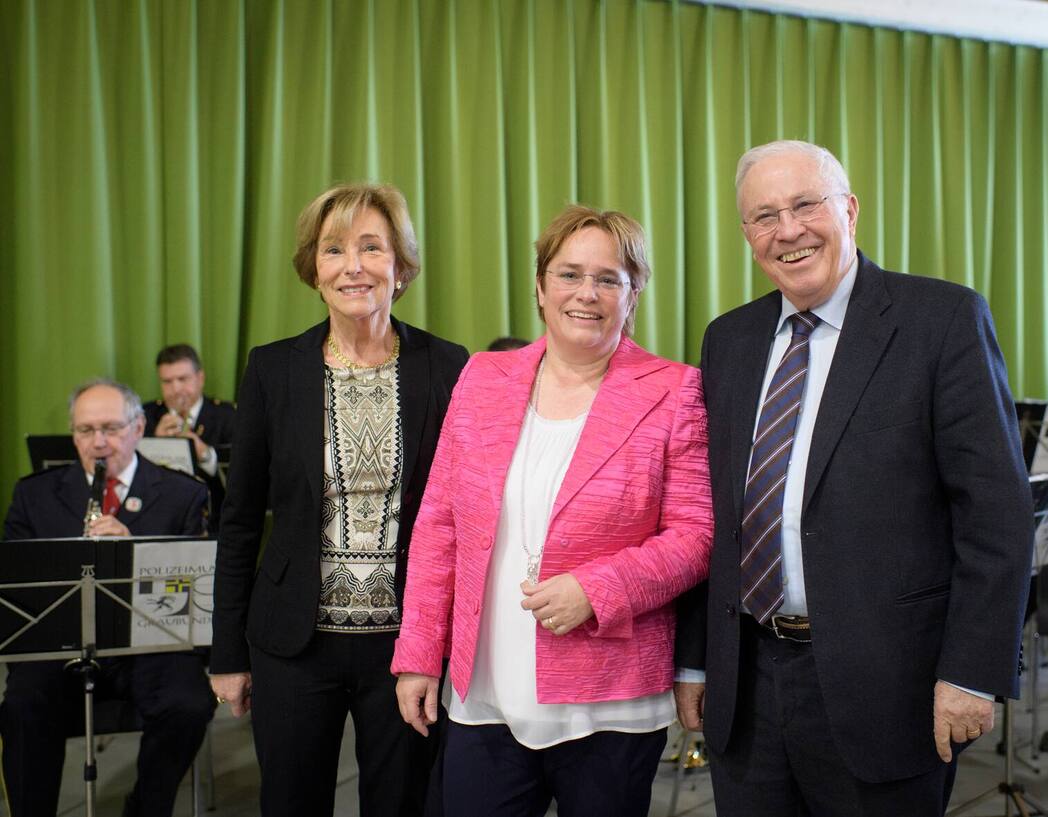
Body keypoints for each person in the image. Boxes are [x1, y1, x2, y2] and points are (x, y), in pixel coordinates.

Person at [673, 140, 1033, 816]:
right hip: (745, 684)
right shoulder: (728, 339)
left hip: (888, 687)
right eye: (763, 215)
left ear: (849, 209)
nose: (787, 230)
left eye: (805, 204)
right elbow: (714, 515)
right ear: (745, 233)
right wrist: (695, 660)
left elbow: (995, 516)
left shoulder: (941, 320)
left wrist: (970, 672)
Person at [392, 205, 713, 817]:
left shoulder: (675, 390)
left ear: (634, 292)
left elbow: (696, 534)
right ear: (540, 288)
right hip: (484, 688)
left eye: (608, 278)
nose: (586, 294)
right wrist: (417, 656)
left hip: (608, 698)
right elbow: (439, 524)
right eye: (569, 275)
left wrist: (598, 588)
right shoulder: (482, 377)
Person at [208, 183, 468, 817]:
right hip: (292, 645)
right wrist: (226, 653)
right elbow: (240, 522)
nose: (353, 265)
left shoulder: (449, 365)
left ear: (400, 268)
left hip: (407, 647)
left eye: (371, 247)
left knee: (402, 805)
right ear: (314, 269)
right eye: (334, 250)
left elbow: (461, 513)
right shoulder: (273, 369)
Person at [1, 379, 213, 817]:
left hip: (150, 641)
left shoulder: (183, 493)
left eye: (112, 428)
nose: (98, 442)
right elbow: (17, 583)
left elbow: (199, 587)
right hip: (59, 644)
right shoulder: (35, 494)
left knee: (189, 701)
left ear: (138, 428)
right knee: (21, 703)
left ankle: (147, 806)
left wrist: (133, 546)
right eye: (85, 430)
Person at [143, 343, 237, 533]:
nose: (176, 389)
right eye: (167, 382)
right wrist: (156, 444)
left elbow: (243, 478)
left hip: (216, 519)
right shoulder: (145, 417)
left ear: (200, 378)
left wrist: (205, 455)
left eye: (183, 379)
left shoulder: (227, 416)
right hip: (159, 520)